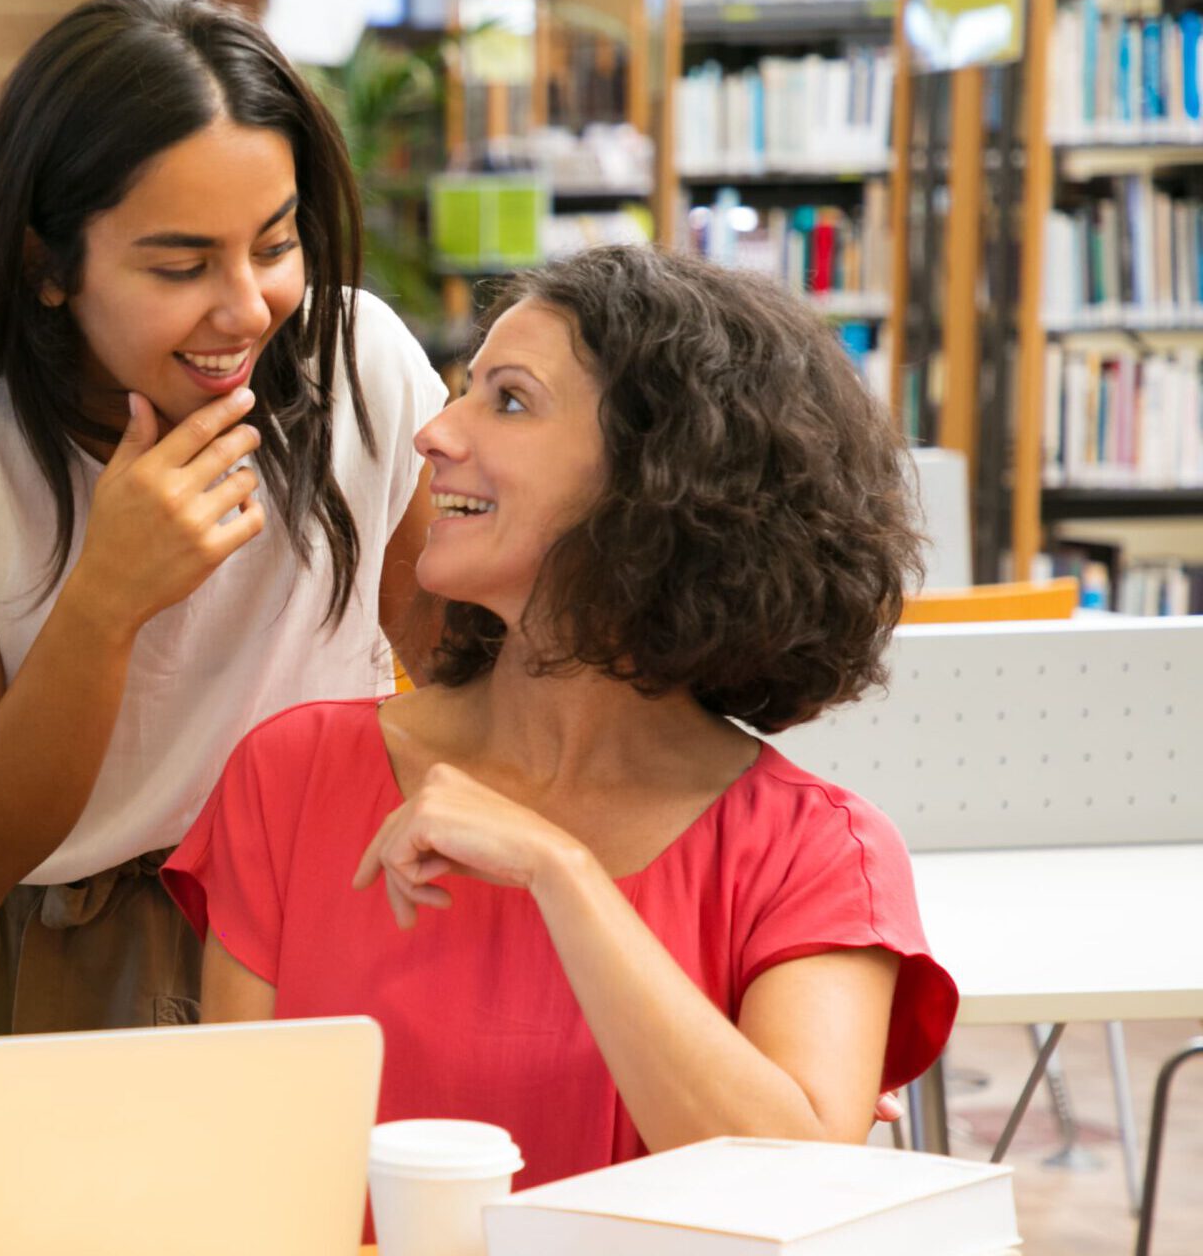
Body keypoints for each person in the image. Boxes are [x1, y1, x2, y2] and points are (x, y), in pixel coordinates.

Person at [166, 245, 960, 1189]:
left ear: (660, 478)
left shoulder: (818, 855)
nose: (433, 434)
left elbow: (792, 1185)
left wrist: (561, 874)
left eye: (507, 400)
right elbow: (243, 1180)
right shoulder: (293, 777)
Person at [0, 0, 446, 1035]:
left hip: (323, 924)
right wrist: (108, 595)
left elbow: (465, 679)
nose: (246, 306)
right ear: (46, 265)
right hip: (48, 949)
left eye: (276, 243)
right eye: (180, 263)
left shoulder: (358, 362)